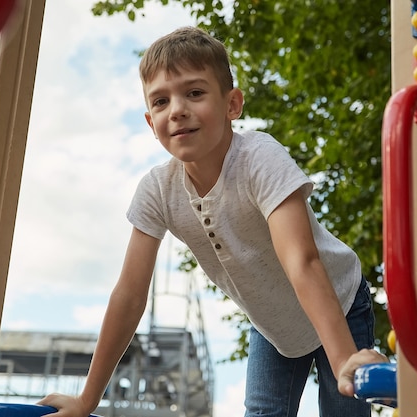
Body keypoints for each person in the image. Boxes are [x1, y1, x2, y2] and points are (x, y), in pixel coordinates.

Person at [39, 26, 387, 417]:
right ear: (151, 123)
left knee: (345, 401)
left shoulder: (258, 157)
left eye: (195, 93)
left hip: (337, 301)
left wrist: (344, 360)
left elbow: (301, 260)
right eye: (160, 101)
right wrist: (87, 399)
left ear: (232, 105)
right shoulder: (158, 190)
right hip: (272, 324)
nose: (177, 109)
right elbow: (130, 295)